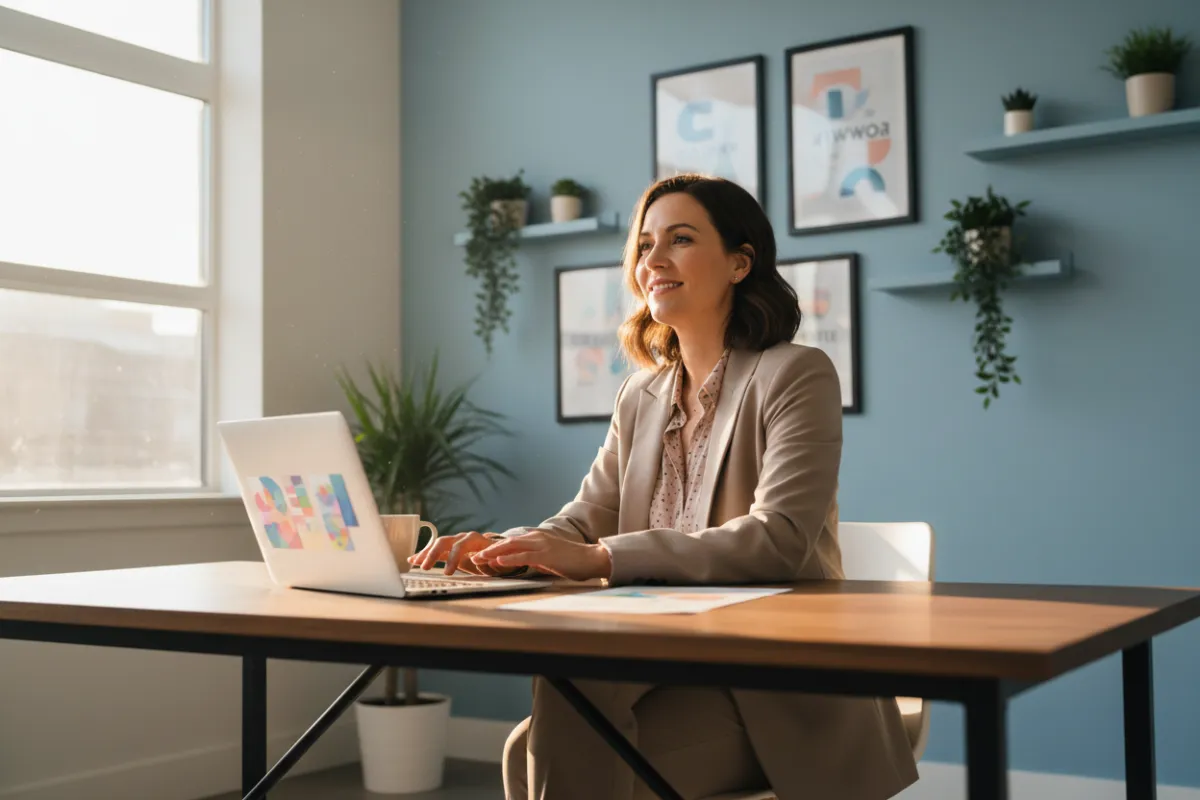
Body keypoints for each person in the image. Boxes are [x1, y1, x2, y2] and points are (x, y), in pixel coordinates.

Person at [409, 174, 918, 800]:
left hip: (772, 684)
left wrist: (601, 558)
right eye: (645, 245)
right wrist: (505, 548)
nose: (653, 260)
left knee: (555, 744)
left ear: (739, 262)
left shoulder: (796, 374)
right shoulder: (640, 394)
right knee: (543, 728)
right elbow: (585, 517)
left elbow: (778, 540)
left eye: (679, 239)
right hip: (664, 659)